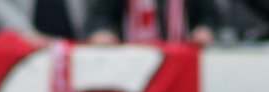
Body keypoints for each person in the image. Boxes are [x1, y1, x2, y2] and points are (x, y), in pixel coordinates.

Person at [86, 0, 218, 45]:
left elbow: (211, 16)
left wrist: (205, 29)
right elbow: (101, 15)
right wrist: (103, 31)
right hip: (133, 64)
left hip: (180, 66)